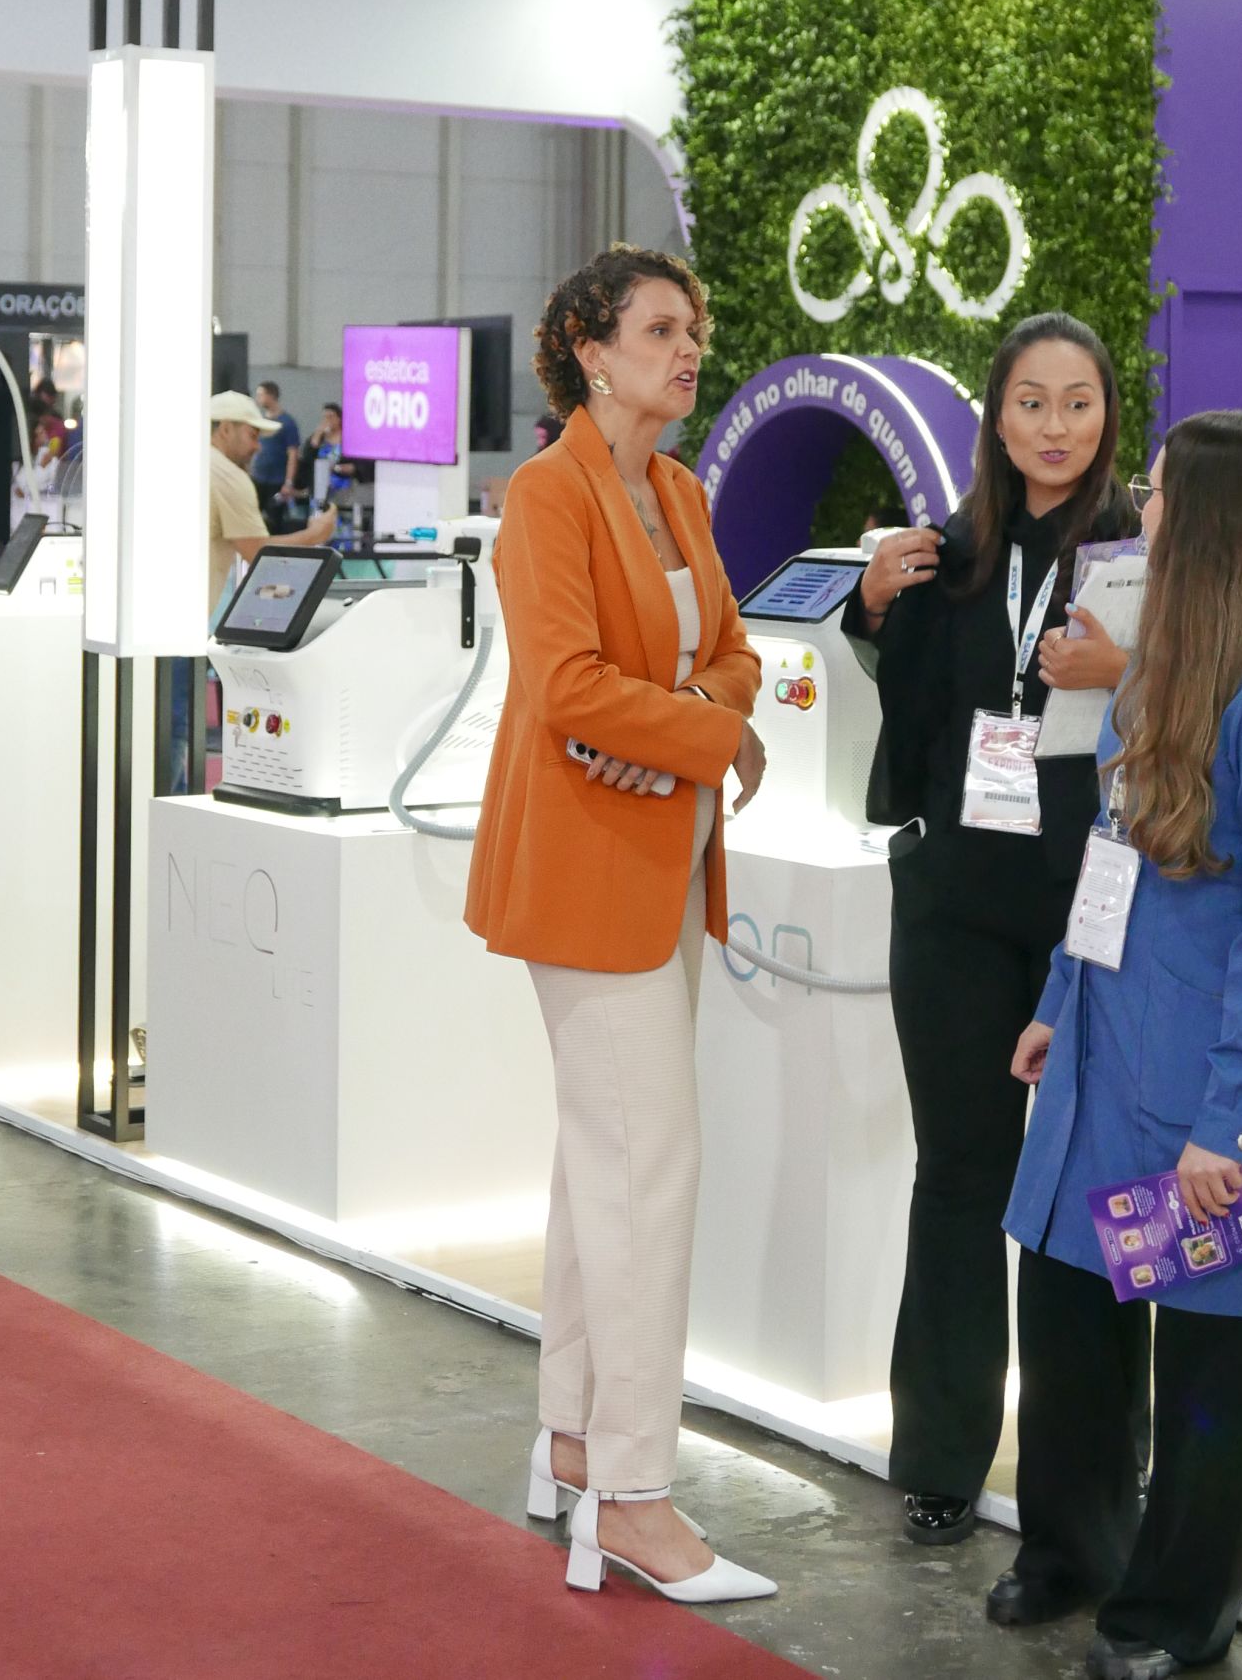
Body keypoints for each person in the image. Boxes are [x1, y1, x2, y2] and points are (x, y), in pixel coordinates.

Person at [1003, 411, 1242, 1680]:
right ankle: (1083, 1557)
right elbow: (1108, 854)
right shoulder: (1160, 670)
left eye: (1158, 490)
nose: (1141, 507)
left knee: (1208, 1354)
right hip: (1114, 1060)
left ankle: (1177, 1614)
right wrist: (1057, 996)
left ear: (1210, 519)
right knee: (1077, 1306)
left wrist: (1227, 1126)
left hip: (1207, 1088)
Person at [465, 246, 774, 1605]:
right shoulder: (549, 493)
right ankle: (635, 1502)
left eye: (691, 328)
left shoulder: (679, 491)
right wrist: (705, 733)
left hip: (667, 860)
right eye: (659, 328)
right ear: (590, 352)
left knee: (606, 1161)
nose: (686, 348)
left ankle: (576, 1445)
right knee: (647, 1170)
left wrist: (692, 723)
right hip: (588, 872)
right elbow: (567, 685)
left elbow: (737, 655)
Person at [844, 311, 1135, 1549]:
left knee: (1093, 1185)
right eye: (1030, 402)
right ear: (996, 418)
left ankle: (1095, 1474)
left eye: (1077, 402)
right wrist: (867, 610)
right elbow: (905, 705)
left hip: (1092, 909)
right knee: (959, 1173)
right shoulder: (944, 553)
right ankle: (940, 1454)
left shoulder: (1140, 557)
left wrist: (1124, 672)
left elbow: (1196, 703)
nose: (1054, 426)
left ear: (1105, 416)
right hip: (954, 902)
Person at [207, 392, 333, 615]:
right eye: (252, 435)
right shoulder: (227, 476)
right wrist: (316, 534)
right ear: (225, 429)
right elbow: (258, 553)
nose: (258, 447)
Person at [251, 380, 302, 530]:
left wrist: (288, 482)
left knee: (274, 521)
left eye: (261, 395)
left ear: (271, 396)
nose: (258, 398)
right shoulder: (260, 422)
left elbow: (293, 454)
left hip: (276, 480)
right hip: (258, 477)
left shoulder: (287, 423)